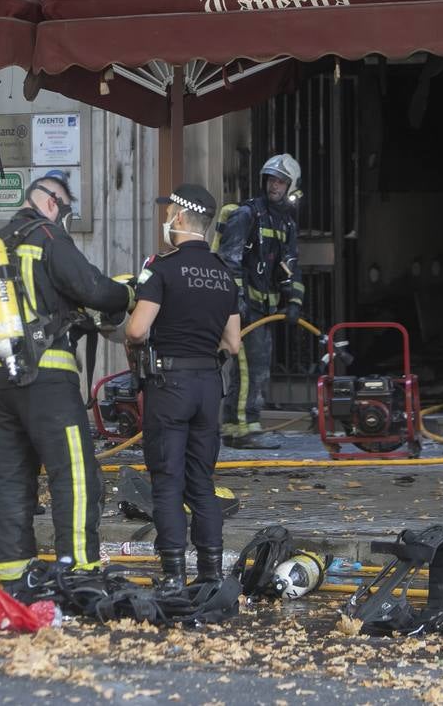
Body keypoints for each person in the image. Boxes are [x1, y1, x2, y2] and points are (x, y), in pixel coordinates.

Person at [0, 171, 132, 590]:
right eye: (65, 207)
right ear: (51, 202)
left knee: (11, 477)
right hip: (48, 378)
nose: (65, 216)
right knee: (74, 473)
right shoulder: (47, 236)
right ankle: (80, 569)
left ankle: (15, 575)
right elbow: (94, 289)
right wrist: (130, 295)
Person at [125, 184, 242, 592]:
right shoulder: (224, 273)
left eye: (169, 212)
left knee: (168, 481)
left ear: (177, 216)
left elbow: (137, 330)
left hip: (169, 385)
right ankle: (211, 574)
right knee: (202, 483)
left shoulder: (161, 268)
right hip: (209, 387)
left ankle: (174, 575)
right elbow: (233, 343)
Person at [216, 154, 305, 449]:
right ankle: (243, 429)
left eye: (280, 181)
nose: (274, 186)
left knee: (255, 368)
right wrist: (236, 303)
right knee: (249, 368)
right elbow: (230, 261)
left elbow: (289, 265)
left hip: (264, 311)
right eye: (271, 179)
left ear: (291, 186)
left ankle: (236, 425)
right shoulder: (247, 215)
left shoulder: (286, 224)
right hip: (243, 310)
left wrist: (294, 301)